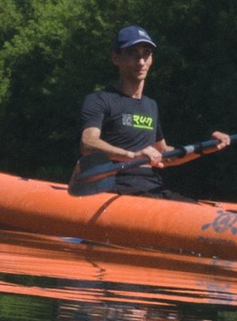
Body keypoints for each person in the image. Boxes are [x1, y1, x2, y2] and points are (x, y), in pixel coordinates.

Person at [70, 26, 227, 197]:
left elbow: (165, 155)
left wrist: (204, 148)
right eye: (132, 53)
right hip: (115, 183)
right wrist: (131, 155)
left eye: (146, 53)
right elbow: (88, 143)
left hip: (150, 185)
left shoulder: (151, 105)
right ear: (116, 58)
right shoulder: (100, 99)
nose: (141, 61)